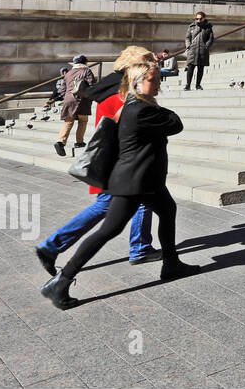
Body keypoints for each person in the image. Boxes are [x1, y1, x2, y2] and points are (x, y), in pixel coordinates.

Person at [40, 59, 201, 309]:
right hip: (133, 182)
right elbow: (175, 123)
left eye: (158, 79)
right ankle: (61, 281)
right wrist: (160, 108)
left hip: (147, 180)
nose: (158, 84)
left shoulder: (136, 105)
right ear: (136, 83)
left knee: (168, 210)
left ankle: (171, 263)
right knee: (108, 230)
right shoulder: (141, 109)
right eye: (153, 80)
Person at [35, 47, 160, 277]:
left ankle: (53, 246)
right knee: (122, 203)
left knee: (113, 205)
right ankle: (139, 247)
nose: (151, 70)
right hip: (122, 161)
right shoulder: (121, 93)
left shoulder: (108, 89)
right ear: (135, 67)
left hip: (117, 159)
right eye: (147, 65)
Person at [54, 55, 96, 156]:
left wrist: (67, 97)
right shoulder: (87, 71)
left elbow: (62, 89)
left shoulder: (68, 73)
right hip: (81, 100)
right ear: (84, 62)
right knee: (82, 121)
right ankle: (79, 142)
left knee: (68, 122)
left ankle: (60, 142)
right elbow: (92, 85)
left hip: (68, 100)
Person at [184, 11, 213, 90]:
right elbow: (187, 37)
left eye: (200, 19)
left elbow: (211, 39)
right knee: (190, 67)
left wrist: (206, 46)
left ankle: (198, 85)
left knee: (200, 68)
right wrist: (188, 45)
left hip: (202, 51)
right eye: (197, 19)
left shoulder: (208, 28)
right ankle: (188, 85)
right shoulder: (191, 27)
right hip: (192, 50)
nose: (198, 20)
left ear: (204, 18)